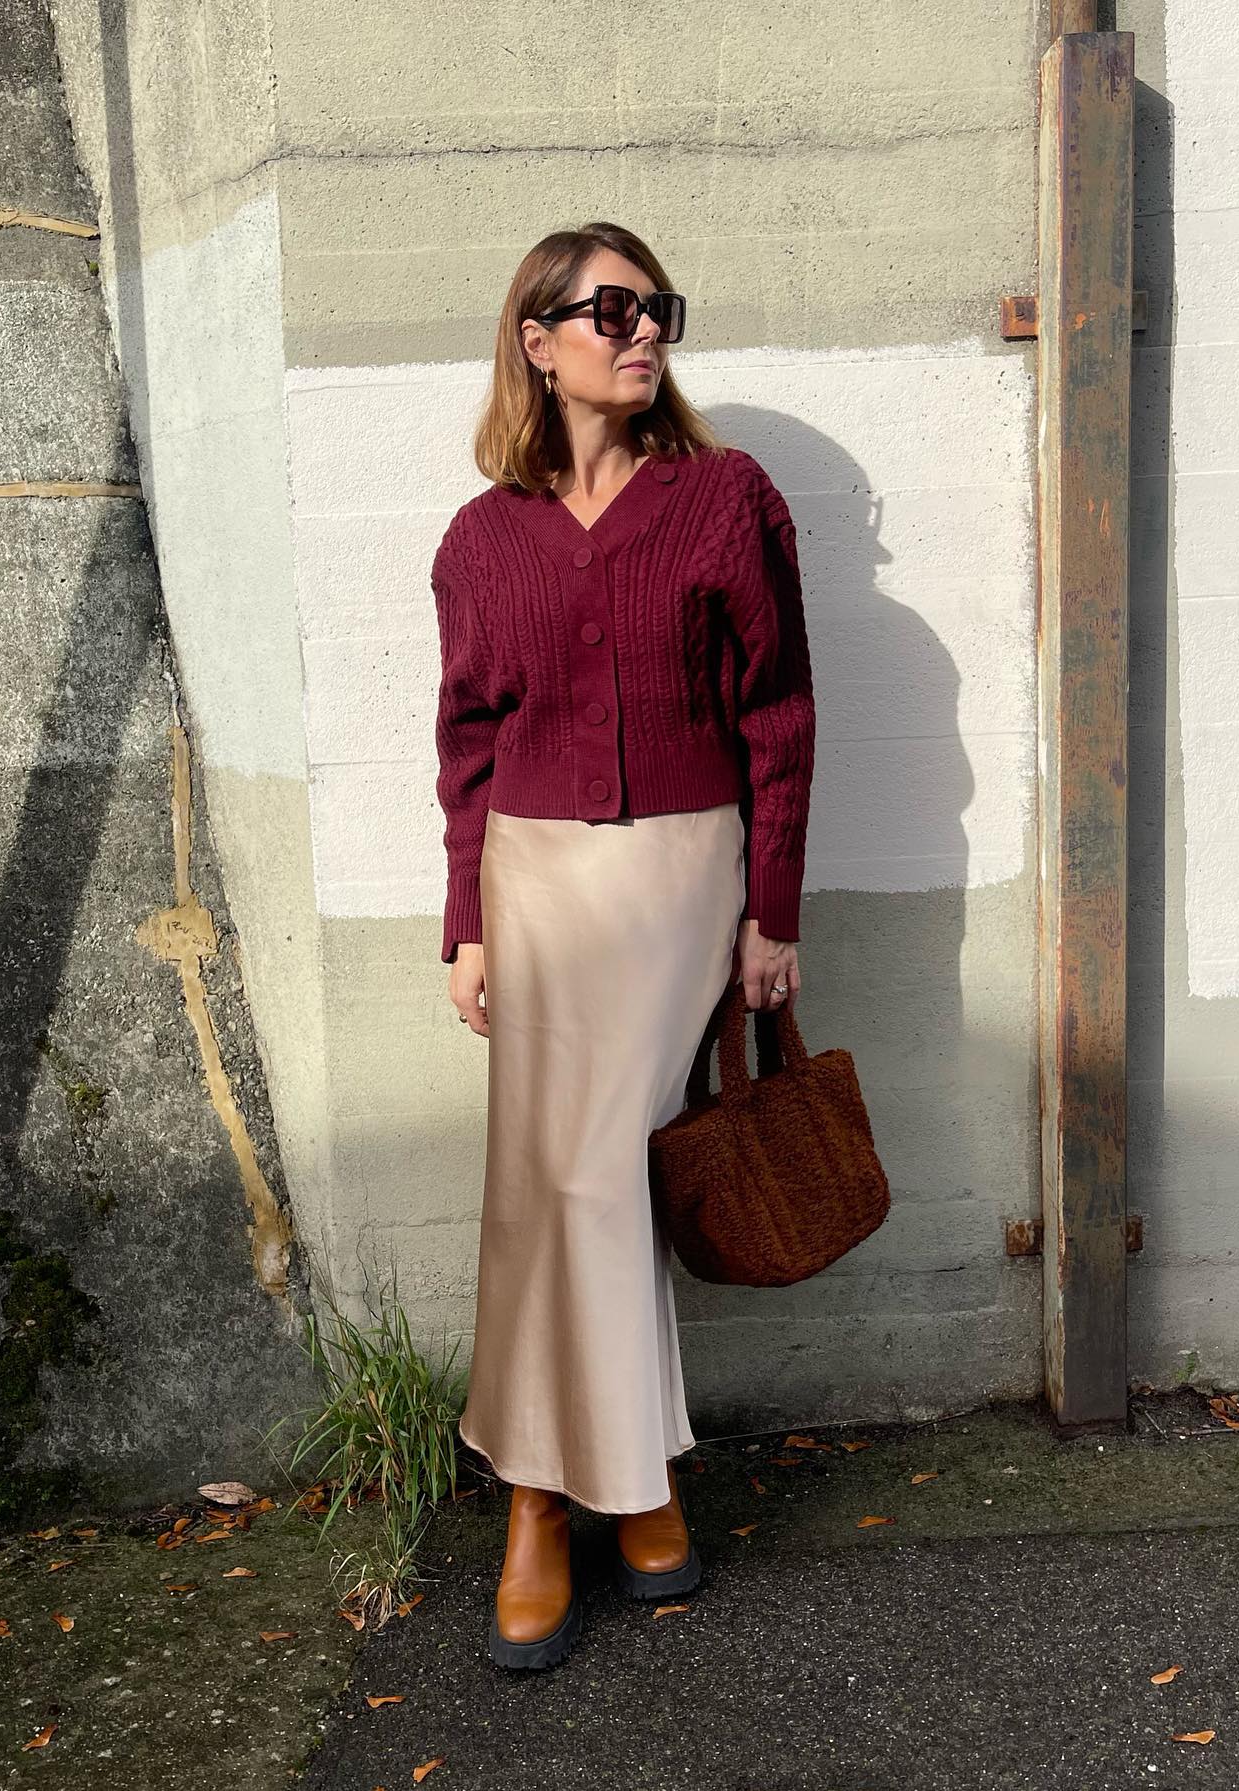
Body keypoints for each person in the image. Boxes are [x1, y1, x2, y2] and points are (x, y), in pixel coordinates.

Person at [431, 220, 815, 1670]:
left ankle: (546, 1496)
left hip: (678, 876)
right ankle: (612, 1489)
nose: (644, 330)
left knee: (593, 1178)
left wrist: (772, 907)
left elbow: (779, 713)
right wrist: (467, 923)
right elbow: (467, 746)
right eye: (612, 310)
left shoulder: (725, 500)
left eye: (659, 309)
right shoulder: (482, 539)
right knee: (550, 1183)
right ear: (538, 342)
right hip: (532, 882)